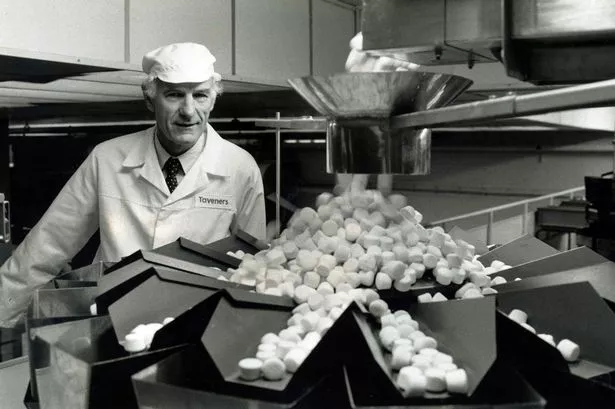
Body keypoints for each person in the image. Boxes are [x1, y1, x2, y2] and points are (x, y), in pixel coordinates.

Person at [0, 42, 266, 327]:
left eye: (199, 95)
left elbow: (254, 267)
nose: (189, 110)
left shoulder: (240, 168)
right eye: (175, 95)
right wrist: (4, 316)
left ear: (213, 101)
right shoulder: (108, 158)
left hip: (201, 325)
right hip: (112, 321)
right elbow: (48, 244)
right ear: (150, 99)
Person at [336, 32, 419, 196]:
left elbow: (409, 69)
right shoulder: (361, 54)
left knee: (382, 172)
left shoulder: (393, 57)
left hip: (383, 113)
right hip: (360, 111)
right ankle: (350, 199)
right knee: (352, 181)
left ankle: (374, 199)